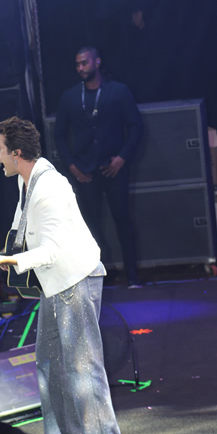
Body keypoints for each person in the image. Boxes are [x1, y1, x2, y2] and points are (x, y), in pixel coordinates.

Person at [0, 118, 125, 434]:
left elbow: (53, 250)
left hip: (75, 278)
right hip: (55, 285)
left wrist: (6, 261)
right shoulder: (27, 180)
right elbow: (23, 227)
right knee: (49, 364)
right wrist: (3, 254)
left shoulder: (50, 187)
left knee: (82, 368)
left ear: (16, 153)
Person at [54, 47, 143, 289]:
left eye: (84, 63)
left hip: (113, 168)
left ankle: (132, 275)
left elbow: (136, 126)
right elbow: (59, 134)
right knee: (89, 226)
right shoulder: (71, 96)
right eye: (77, 64)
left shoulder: (118, 91)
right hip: (85, 172)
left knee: (122, 220)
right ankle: (100, 275)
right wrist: (72, 166)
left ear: (97, 62)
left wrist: (122, 158)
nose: (80, 68)